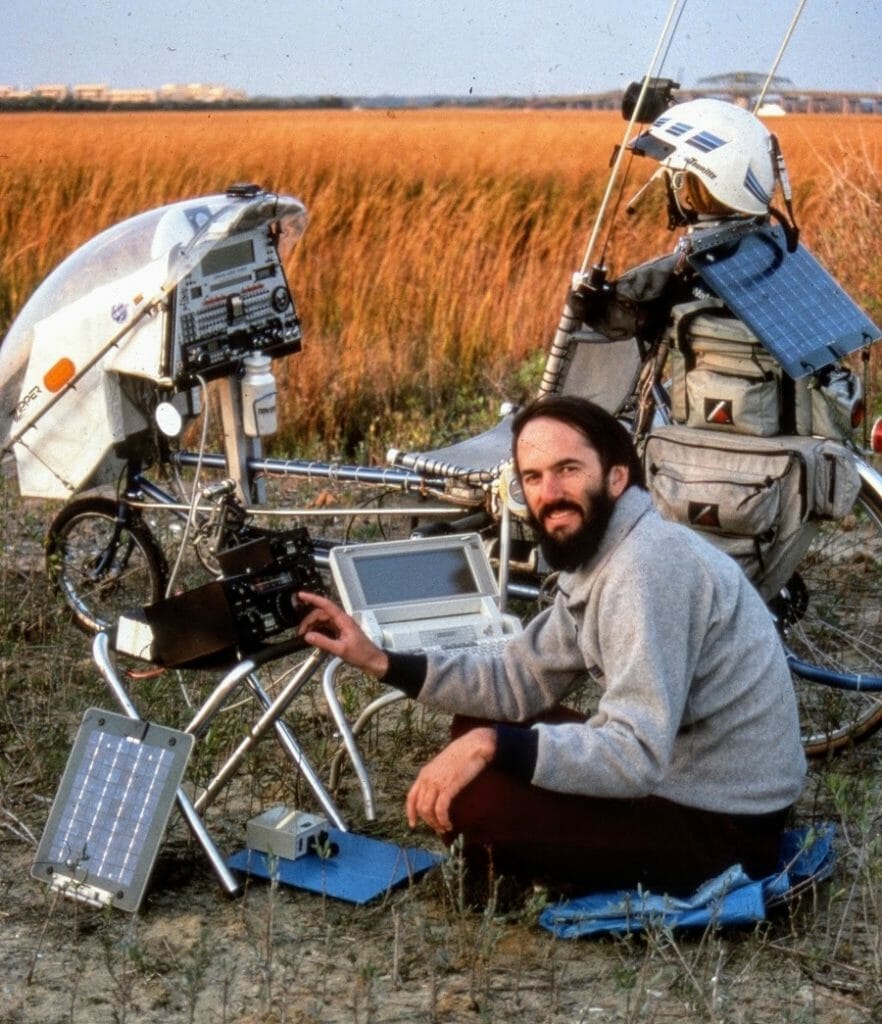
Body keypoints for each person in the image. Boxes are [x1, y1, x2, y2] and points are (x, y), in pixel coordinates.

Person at [297, 394, 807, 897]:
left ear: (616, 476)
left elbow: (636, 753)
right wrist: (380, 660)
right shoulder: (607, 551)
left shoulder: (644, 570)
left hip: (726, 822)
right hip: (683, 776)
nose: (550, 493)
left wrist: (494, 746)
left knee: (476, 798)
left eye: (568, 469)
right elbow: (516, 682)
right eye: (534, 478)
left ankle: (537, 869)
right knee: (475, 725)